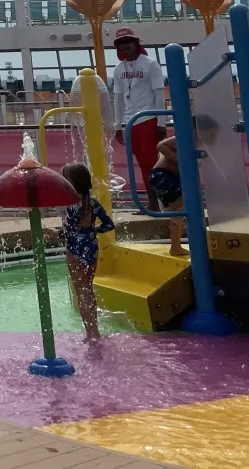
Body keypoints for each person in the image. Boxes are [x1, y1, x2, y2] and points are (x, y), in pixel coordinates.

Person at [109, 28, 165, 209]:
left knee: (150, 161)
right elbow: (118, 98)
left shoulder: (150, 64)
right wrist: (118, 125)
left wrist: (161, 122)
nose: (126, 45)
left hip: (147, 119)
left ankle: (156, 202)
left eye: (129, 41)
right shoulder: (119, 69)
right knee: (140, 162)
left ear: (136, 43)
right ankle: (152, 202)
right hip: (129, 122)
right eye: (121, 43)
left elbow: (159, 95)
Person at [58, 163, 114, 342]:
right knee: (88, 289)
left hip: (75, 250)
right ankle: (95, 330)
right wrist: (92, 231)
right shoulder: (93, 203)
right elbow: (109, 225)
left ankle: (91, 334)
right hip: (91, 248)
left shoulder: (69, 205)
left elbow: (69, 232)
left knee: (81, 292)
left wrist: (55, 234)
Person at [151, 134, 187, 256]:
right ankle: (170, 211)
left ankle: (175, 247)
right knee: (185, 203)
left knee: (180, 209)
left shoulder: (201, 141)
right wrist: (177, 159)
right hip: (163, 174)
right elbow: (160, 145)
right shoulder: (187, 135)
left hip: (169, 176)